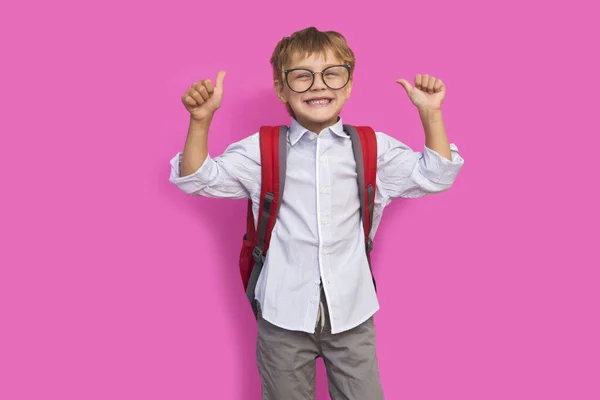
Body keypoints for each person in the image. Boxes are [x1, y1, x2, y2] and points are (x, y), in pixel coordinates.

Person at [169, 26, 465, 400]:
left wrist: (431, 115)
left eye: (332, 73)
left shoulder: (373, 148)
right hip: (282, 316)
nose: (317, 85)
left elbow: (435, 176)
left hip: (353, 315)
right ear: (282, 88)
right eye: (302, 75)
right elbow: (197, 179)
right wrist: (200, 121)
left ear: (349, 84)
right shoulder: (263, 149)